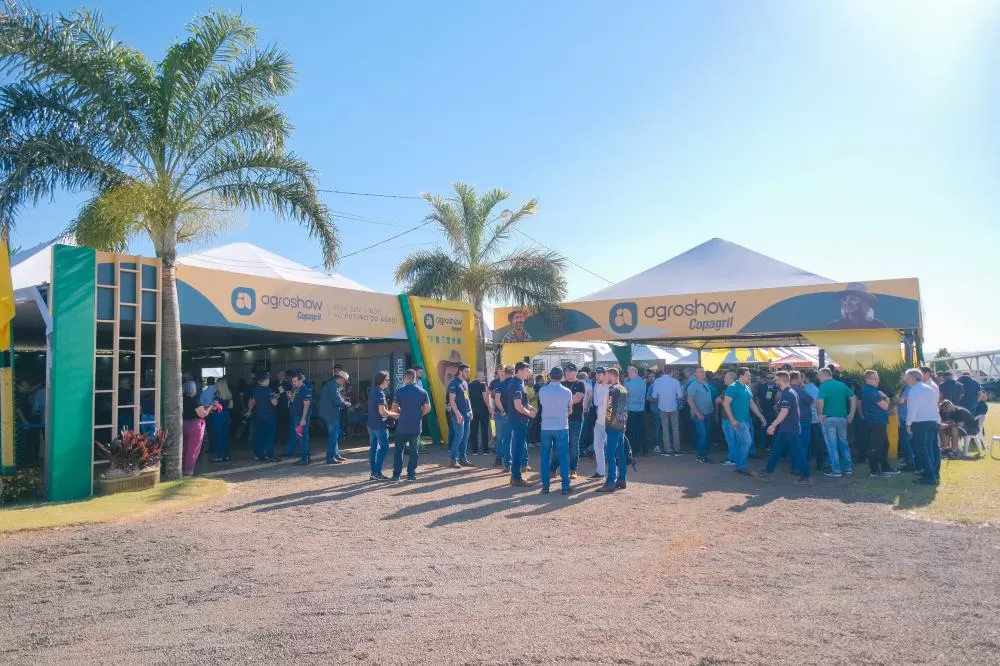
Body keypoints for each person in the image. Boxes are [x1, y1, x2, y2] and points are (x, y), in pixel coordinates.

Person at [761, 371, 812, 485]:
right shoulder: (789, 392)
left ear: (781, 380)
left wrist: (773, 425)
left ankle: (806, 476)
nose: (775, 382)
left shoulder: (787, 393)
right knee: (777, 450)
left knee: (794, 452)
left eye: (776, 380)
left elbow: (784, 411)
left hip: (789, 428)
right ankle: (767, 472)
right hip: (788, 428)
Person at [722, 368, 767, 478]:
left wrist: (761, 416)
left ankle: (740, 465)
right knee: (747, 442)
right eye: (747, 375)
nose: (749, 377)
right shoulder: (732, 388)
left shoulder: (746, 388)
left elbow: (751, 404)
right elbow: (725, 404)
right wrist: (732, 419)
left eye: (749, 375)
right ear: (740, 376)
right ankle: (741, 465)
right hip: (738, 421)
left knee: (742, 443)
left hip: (745, 420)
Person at [390, 369, 431, 481]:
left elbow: (394, 407)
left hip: (402, 426)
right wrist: (419, 415)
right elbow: (428, 408)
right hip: (416, 426)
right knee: (414, 452)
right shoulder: (422, 392)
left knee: (399, 451)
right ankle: (411, 475)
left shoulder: (400, 391)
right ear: (414, 378)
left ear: (406, 378)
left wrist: (399, 413)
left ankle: (396, 475)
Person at [537, 366, 573, 495]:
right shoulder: (567, 391)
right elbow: (570, 409)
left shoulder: (542, 390)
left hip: (546, 426)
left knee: (545, 457)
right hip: (561, 426)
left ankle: (545, 486)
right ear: (562, 377)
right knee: (563, 456)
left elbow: (542, 405)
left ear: (550, 376)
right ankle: (565, 486)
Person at [816, 367, 857, 478]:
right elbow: (853, 398)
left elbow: (820, 402)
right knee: (843, 443)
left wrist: (819, 414)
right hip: (842, 418)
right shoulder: (841, 385)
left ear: (824, 375)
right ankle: (848, 468)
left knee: (832, 445)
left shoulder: (823, 386)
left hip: (828, 419)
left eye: (819, 375)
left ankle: (836, 470)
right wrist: (851, 414)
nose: (818, 378)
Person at [905, 368, 941, 485]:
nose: (906, 379)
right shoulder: (929, 388)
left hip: (920, 422)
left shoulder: (914, 390)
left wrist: (908, 424)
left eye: (907, 377)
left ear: (912, 378)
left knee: (921, 449)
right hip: (932, 420)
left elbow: (912, 409)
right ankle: (931, 471)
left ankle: (929, 476)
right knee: (928, 448)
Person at [596, 368, 629, 492]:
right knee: (620, 452)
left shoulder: (612, 390)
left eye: (608, 376)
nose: (606, 378)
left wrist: (607, 423)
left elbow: (609, 410)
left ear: (612, 376)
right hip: (622, 425)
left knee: (610, 453)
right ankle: (622, 478)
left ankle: (610, 481)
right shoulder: (624, 389)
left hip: (612, 426)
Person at [551, 363, 585, 479]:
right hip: (561, 419)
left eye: (570, 371)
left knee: (574, 445)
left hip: (575, 419)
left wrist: (561, 403)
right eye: (566, 371)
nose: (568, 373)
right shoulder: (561, 383)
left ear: (576, 372)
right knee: (558, 444)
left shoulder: (580, 384)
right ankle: (553, 468)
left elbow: (577, 398)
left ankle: (573, 469)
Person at [858, 370, 897, 477]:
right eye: (875, 378)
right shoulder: (869, 391)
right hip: (875, 421)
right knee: (877, 446)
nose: (878, 381)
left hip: (879, 420)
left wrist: (885, 399)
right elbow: (885, 406)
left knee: (884, 445)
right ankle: (874, 469)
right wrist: (885, 397)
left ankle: (885, 467)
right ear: (868, 380)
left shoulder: (873, 390)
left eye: (877, 378)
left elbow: (886, 405)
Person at [504, 361, 536, 487]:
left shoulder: (519, 383)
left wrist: (530, 407)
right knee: (518, 449)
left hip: (519, 419)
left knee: (519, 448)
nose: (529, 372)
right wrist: (530, 413)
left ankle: (515, 476)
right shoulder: (517, 384)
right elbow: (518, 406)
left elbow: (522, 403)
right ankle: (516, 477)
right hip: (519, 420)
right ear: (521, 370)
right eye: (527, 370)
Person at [367, 370, 399, 481]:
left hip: (371, 425)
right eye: (387, 380)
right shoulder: (380, 393)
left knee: (374, 449)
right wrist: (393, 414)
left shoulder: (373, 391)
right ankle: (376, 473)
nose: (388, 382)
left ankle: (373, 473)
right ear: (382, 381)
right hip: (379, 425)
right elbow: (382, 412)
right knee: (384, 448)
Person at [182, 380, 216, 475]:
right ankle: (189, 469)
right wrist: (209, 408)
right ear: (193, 389)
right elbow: (202, 414)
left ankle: (182, 466)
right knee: (193, 448)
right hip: (194, 425)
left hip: (183, 424)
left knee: (184, 446)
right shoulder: (194, 400)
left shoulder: (181, 399)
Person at [319, 370, 351, 464]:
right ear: (340, 379)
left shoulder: (331, 385)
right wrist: (346, 403)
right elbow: (338, 400)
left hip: (330, 414)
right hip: (331, 415)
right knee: (333, 436)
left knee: (334, 436)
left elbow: (337, 398)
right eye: (344, 381)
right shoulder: (333, 386)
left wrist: (343, 402)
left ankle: (335, 454)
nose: (345, 383)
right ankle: (330, 457)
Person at [246, 372, 279, 462]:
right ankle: (270, 455)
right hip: (269, 416)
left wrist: (249, 411)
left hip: (258, 416)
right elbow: (274, 403)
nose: (269, 381)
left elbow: (252, 402)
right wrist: (276, 397)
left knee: (259, 436)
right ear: (265, 380)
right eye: (268, 379)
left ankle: (260, 456)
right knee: (269, 436)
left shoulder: (254, 390)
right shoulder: (268, 390)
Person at [651, 367, 684, 456]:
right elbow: (680, 396)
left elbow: (654, 396)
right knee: (675, 428)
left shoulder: (657, 381)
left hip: (662, 407)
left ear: (664, 371)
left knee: (665, 429)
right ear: (672, 372)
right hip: (673, 407)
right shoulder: (675, 381)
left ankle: (667, 449)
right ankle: (677, 449)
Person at [447, 363, 474, 469]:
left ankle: (463, 459)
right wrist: (458, 415)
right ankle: (453, 460)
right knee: (459, 436)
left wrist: (470, 411)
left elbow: (467, 398)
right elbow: (452, 401)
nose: (469, 373)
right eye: (467, 371)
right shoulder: (454, 384)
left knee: (465, 437)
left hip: (467, 413)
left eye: (469, 371)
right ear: (460, 371)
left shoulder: (465, 383)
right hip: (459, 414)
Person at [686, 366, 715, 464]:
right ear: (695, 374)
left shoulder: (705, 383)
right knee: (703, 434)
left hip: (708, 413)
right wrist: (698, 413)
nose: (702, 374)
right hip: (699, 415)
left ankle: (703, 454)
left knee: (706, 435)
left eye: (703, 372)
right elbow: (689, 400)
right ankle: (701, 455)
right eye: (700, 372)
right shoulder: (693, 385)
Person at [284, 371, 313, 465]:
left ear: (300, 380)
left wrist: (303, 419)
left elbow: (306, 405)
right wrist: (290, 398)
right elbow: (296, 402)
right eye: (292, 381)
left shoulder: (304, 390)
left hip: (300, 417)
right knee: (303, 437)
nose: (293, 383)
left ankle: (304, 459)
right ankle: (307, 457)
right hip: (297, 416)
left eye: (295, 381)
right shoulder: (297, 389)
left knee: (302, 438)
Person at [802, 370, 825, 471]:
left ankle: (805, 462)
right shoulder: (817, 389)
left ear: (806, 378)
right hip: (817, 418)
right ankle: (820, 463)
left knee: (805, 441)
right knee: (817, 441)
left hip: (807, 418)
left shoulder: (804, 389)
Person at [623, 365, 648, 457]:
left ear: (633, 373)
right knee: (642, 430)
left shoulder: (628, 383)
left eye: (629, 373)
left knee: (632, 431)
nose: (628, 374)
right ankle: (645, 449)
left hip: (631, 409)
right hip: (641, 409)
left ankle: (633, 449)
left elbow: (625, 395)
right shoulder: (643, 382)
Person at [590, 367, 610, 479]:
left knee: (612, 449)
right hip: (600, 421)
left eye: (599, 374)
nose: (597, 376)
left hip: (610, 422)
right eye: (596, 374)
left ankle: (614, 475)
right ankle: (600, 471)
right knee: (597, 446)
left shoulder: (611, 386)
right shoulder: (597, 385)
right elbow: (597, 402)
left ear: (605, 374)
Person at [493, 366, 514, 471]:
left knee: (506, 439)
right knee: (517, 440)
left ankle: (507, 464)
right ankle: (521, 464)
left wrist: (502, 411)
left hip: (506, 415)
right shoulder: (517, 384)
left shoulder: (500, 385)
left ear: (505, 373)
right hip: (517, 415)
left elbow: (497, 400)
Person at [210, 377, 234, 463]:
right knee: (225, 437)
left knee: (218, 437)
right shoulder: (229, 393)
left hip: (218, 417)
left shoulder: (216, 394)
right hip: (227, 416)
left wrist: (210, 410)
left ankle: (219, 456)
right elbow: (231, 406)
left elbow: (215, 407)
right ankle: (226, 455)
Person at [468, 371, 491, 455]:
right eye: (483, 376)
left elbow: (467, 398)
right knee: (484, 430)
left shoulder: (469, 385)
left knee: (473, 430)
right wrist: (489, 408)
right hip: (483, 410)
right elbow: (485, 398)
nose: (484, 378)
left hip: (473, 410)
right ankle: (485, 450)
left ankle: (474, 450)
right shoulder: (483, 385)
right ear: (479, 377)